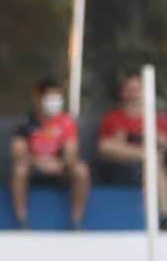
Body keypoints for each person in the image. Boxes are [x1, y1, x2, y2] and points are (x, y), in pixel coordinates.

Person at [10, 77, 90, 230]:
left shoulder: (66, 122)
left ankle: (75, 222)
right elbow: (18, 152)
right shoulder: (26, 121)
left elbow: (71, 152)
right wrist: (38, 162)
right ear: (38, 98)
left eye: (57, 97)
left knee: (81, 170)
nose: (54, 102)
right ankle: (21, 222)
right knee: (19, 170)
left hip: (60, 168)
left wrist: (60, 163)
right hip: (33, 166)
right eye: (49, 97)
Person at [97, 70, 167, 227]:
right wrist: (138, 150)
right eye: (130, 90)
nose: (134, 94)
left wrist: (157, 139)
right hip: (119, 168)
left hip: (150, 170)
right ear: (123, 92)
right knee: (150, 158)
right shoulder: (112, 118)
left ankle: (162, 215)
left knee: (153, 162)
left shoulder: (157, 119)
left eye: (137, 89)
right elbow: (104, 148)